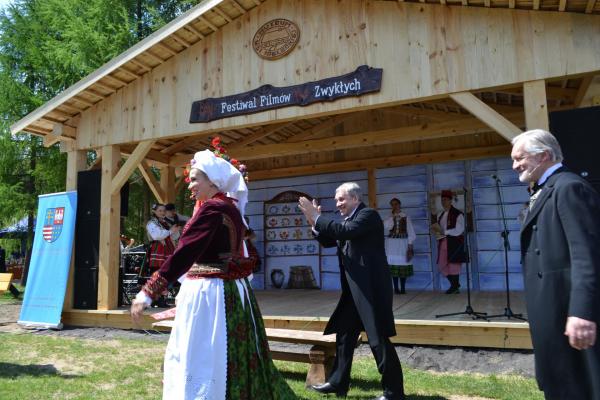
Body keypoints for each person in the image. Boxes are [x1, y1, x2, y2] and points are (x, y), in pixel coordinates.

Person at [131, 149, 295, 400]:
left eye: (196, 179)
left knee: (206, 353)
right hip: (231, 290)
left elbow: (184, 253)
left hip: (213, 294)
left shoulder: (212, 210)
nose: (191, 186)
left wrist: (148, 292)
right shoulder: (229, 207)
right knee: (226, 353)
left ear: (213, 181)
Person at [511, 129, 600, 400]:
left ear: (544, 156)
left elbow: (586, 254)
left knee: (578, 385)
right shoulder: (545, 189)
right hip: (551, 307)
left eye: (520, 158)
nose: (515, 166)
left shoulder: (569, 187)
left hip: (566, 308)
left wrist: (582, 312)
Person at [299, 182, 405, 400]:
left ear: (355, 198)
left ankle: (394, 393)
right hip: (353, 293)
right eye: (336, 200)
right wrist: (313, 222)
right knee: (345, 336)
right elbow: (331, 240)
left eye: (341, 199)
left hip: (370, 290)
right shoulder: (350, 220)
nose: (338, 204)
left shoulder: (368, 216)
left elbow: (344, 232)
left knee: (378, 339)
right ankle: (338, 383)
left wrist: (318, 218)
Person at [431, 190, 466, 294]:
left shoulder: (458, 214)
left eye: (446, 200)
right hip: (443, 242)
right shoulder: (441, 215)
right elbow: (439, 229)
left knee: (453, 265)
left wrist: (445, 231)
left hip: (454, 242)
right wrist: (436, 230)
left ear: (451, 201)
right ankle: (455, 285)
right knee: (442, 265)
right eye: (442, 200)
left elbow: (460, 229)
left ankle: (454, 287)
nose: (443, 202)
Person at [383, 198, 416, 294]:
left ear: (399, 204)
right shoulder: (390, 217)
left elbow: (411, 231)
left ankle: (403, 288)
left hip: (403, 243)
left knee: (402, 264)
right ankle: (396, 288)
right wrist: (392, 216)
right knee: (394, 264)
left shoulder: (406, 217)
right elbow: (387, 226)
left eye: (396, 204)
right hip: (392, 244)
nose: (395, 206)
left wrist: (410, 244)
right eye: (392, 204)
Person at [145, 204, 179, 275]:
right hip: (157, 249)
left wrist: (176, 230)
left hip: (169, 248)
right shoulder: (151, 223)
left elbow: (174, 237)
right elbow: (157, 236)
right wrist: (170, 231)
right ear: (154, 211)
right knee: (157, 272)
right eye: (160, 211)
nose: (162, 212)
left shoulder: (166, 223)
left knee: (169, 272)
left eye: (164, 211)